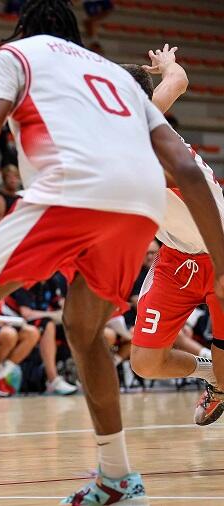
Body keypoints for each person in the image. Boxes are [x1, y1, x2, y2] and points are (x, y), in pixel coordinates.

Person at [0, 1, 224, 503]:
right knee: (84, 328)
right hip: (140, 205)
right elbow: (185, 168)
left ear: (22, 30)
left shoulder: (18, 54)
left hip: (76, 188)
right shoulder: (111, 75)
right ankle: (118, 477)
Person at [123, 47, 224, 425]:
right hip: (177, 257)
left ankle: (222, 381)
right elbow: (178, 80)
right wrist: (167, 64)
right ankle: (212, 372)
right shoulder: (143, 115)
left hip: (219, 252)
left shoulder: (148, 150)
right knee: (145, 362)